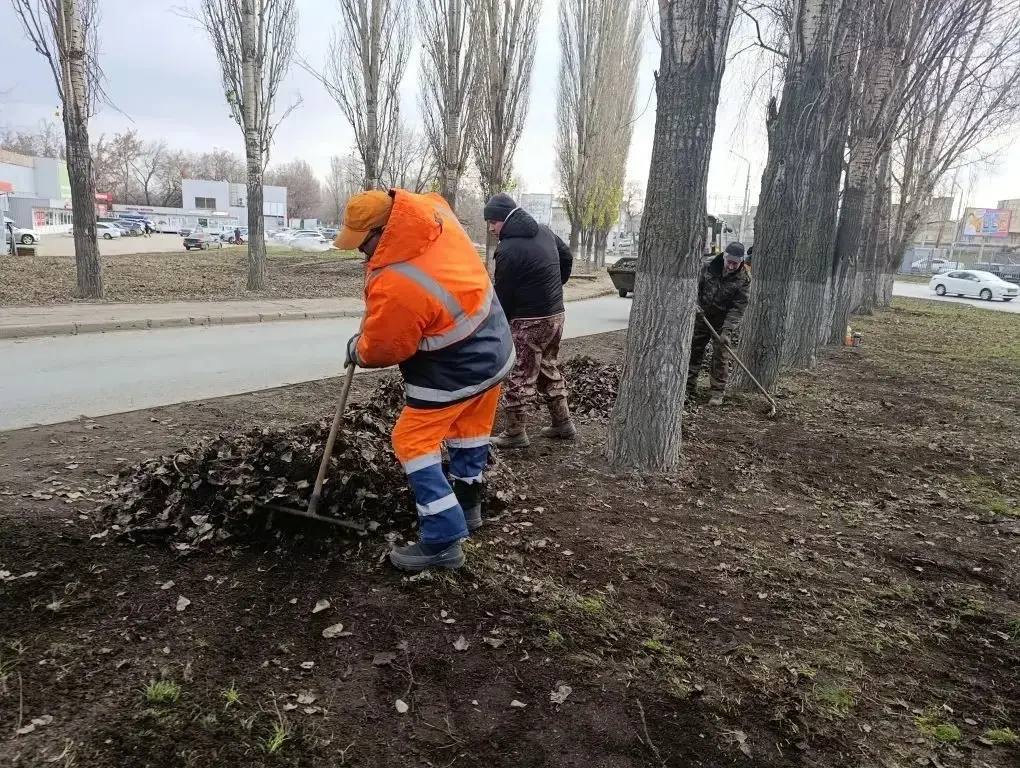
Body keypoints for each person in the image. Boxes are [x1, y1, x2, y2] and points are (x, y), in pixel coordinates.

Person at [337, 189, 514, 573]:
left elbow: (384, 349)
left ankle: (442, 540)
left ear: (383, 231)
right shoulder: (435, 216)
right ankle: (468, 507)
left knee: (411, 440)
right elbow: (434, 199)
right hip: (495, 346)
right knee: (469, 429)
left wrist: (358, 348)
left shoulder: (398, 281)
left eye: (363, 242)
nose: (360, 253)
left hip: (458, 365)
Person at [483, 193, 575, 449]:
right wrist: (556, 286)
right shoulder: (545, 232)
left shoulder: (508, 249)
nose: (491, 227)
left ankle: (515, 432)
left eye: (493, 222)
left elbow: (503, 295)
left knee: (521, 374)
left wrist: (499, 323)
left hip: (529, 320)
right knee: (548, 366)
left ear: (504, 219)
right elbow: (566, 256)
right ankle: (562, 422)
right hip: (556, 314)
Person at [687, 241, 751, 407]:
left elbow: (738, 308)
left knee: (721, 355)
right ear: (724, 257)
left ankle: (717, 392)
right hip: (701, 316)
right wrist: (695, 306)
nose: (731, 266)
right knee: (694, 350)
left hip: (722, 321)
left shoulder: (744, 278)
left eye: (735, 264)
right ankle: (688, 387)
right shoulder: (707, 267)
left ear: (741, 261)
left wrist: (727, 331)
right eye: (729, 262)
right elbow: (693, 289)